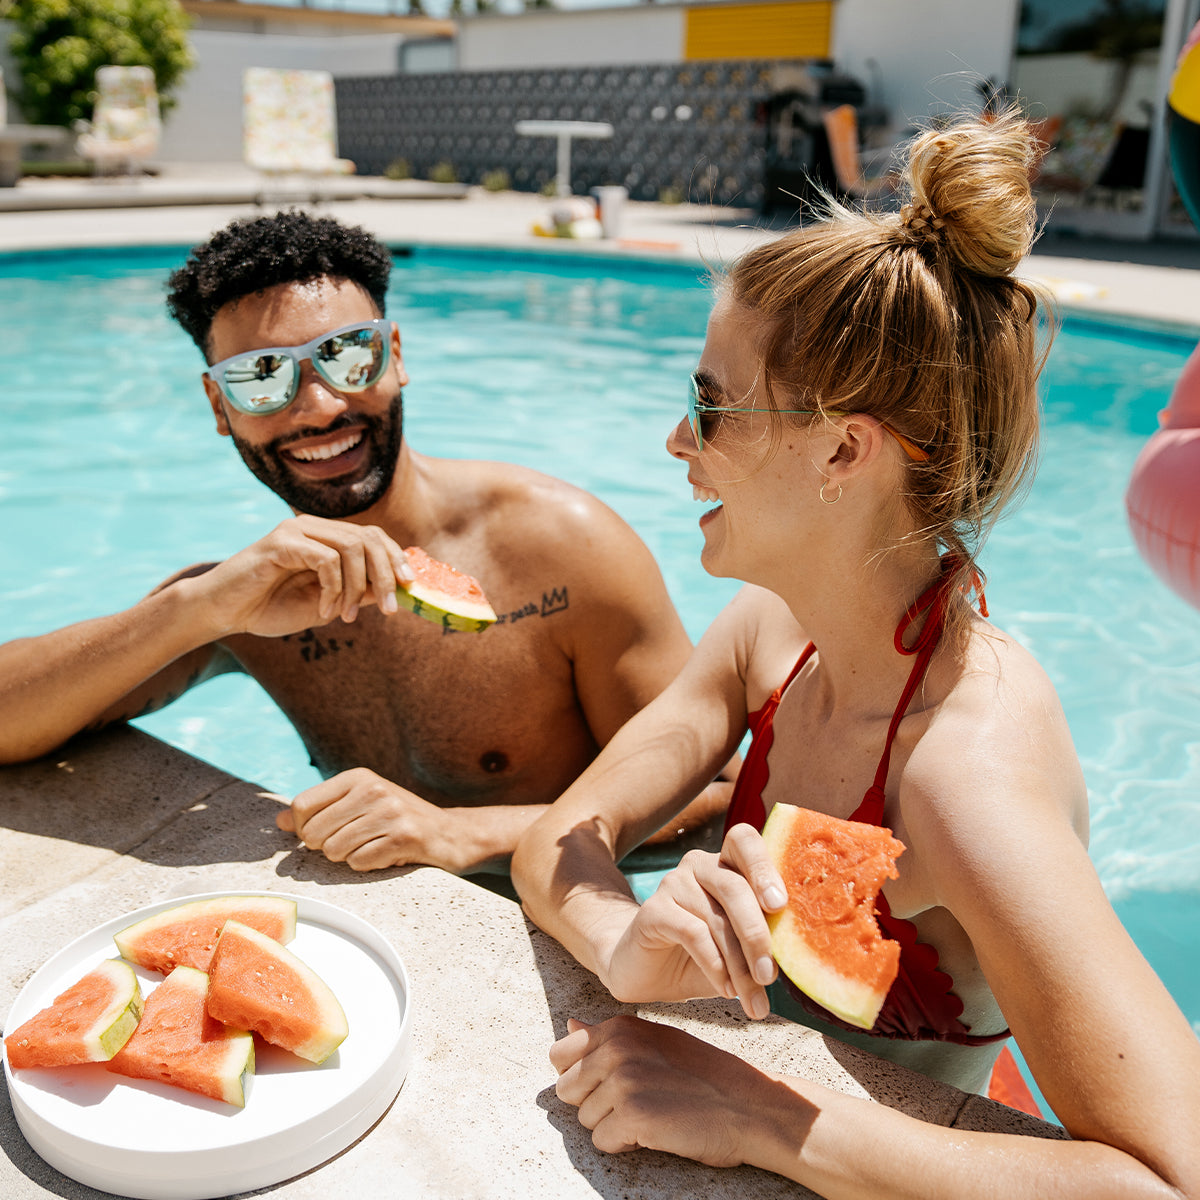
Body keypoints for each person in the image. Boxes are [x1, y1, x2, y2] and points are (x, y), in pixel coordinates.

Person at [512, 110, 1200, 1197]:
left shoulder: (963, 781)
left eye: (709, 404)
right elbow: (565, 839)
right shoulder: (768, 640)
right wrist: (623, 941)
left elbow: (1170, 1178)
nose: (677, 443)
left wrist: (763, 1117)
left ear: (843, 447)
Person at [0, 210, 733, 879]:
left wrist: (460, 834)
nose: (319, 407)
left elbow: (721, 803)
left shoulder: (562, 549)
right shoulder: (245, 600)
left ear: (397, 357)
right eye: (261, 379)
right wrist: (194, 608)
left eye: (349, 355)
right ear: (219, 407)